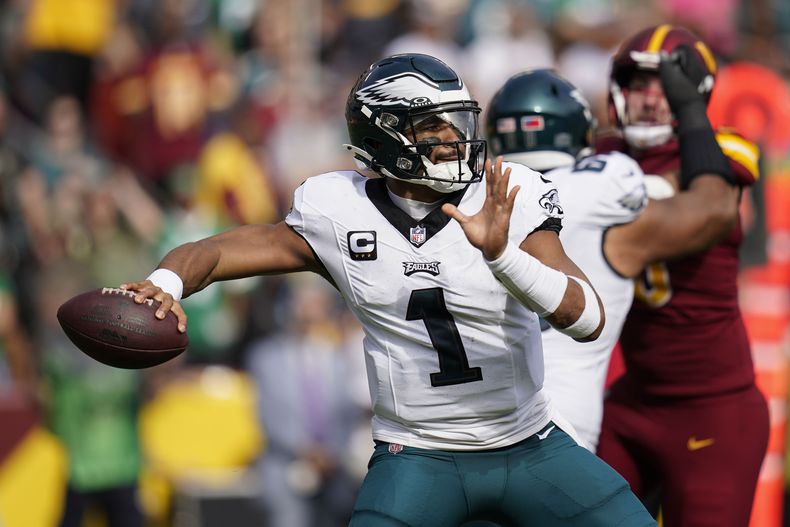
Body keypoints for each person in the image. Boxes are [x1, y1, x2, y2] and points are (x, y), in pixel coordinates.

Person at [121, 53, 656, 526]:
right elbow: (216, 252)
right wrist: (165, 283)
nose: (453, 140)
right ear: (385, 137)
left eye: (457, 123)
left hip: (529, 445)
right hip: (418, 455)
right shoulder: (338, 210)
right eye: (433, 127)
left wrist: (502, 256)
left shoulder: (506, 193)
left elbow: (587, 319)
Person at [484, 66, 741, 451]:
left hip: (471, 420)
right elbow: (714, 209)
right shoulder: (606, 183)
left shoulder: (470, 200)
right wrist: (701, 126)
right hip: (560, 421)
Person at [594, 25, 768, 527]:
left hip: (713, 407)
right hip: (634, 400)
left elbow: (708, 192)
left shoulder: (722, 151)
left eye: (666, 85)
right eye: (637, 84)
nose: (651, 99)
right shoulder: (604, 154)